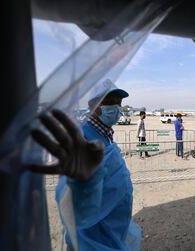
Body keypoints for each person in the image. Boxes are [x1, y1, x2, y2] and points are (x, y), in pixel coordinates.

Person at [36, 81, 141, 250]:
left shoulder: (104, 134)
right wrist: (82, 184)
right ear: (93, 105)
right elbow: (69, 202)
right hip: (93, 242)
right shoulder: (82, 138)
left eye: (118, 102)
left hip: (110, 233)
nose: (116, 107)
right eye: (109, 101)